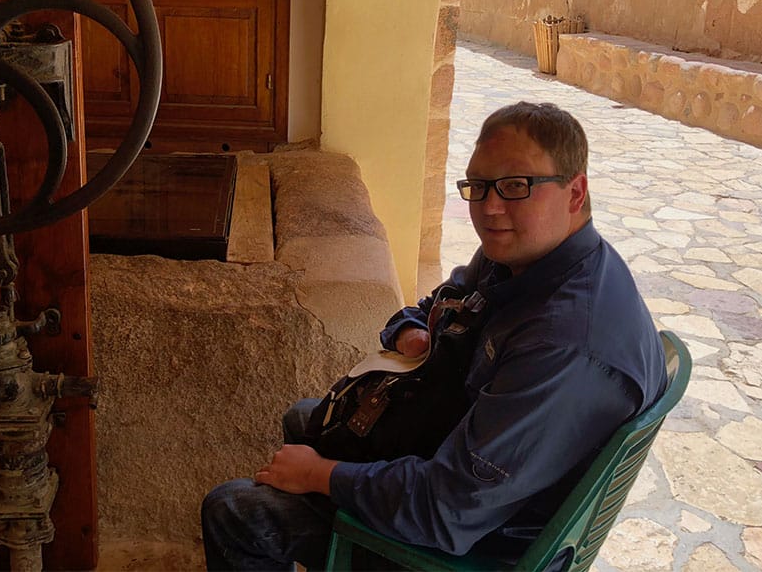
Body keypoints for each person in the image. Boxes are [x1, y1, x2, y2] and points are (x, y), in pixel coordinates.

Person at [201, 101, 667, 570]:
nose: (489, 207)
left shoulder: (564, 344)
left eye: (515, 185)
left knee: (234, 511)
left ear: (575, 192)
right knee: (307, 420)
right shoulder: (527, 258)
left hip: (480, 544)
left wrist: (324, 476)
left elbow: (447, 512)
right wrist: (411, 333)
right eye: (479, 186)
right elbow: (429, 307)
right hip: (477, 468)